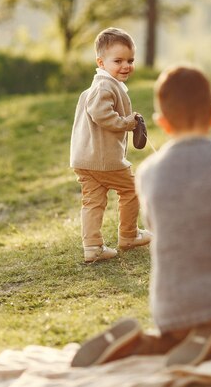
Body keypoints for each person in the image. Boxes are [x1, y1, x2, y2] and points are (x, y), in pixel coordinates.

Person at [70, 65, 211, 367]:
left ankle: (140, 343)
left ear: (163, 123)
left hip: (172, 307)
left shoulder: (149, 172)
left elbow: (160, 226)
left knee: (170, 341)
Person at [70, 27, 151, 263]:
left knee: (93, 202)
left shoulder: (99, 85)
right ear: (101, 62)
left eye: (130, 60)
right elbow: (100, 114)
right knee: (132, 189)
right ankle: (129, 235)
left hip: (85, 160)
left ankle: (92, 247)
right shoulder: (105, 86)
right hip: (105, 160)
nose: (126, 65)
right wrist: (125, 123)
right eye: (118, 60)